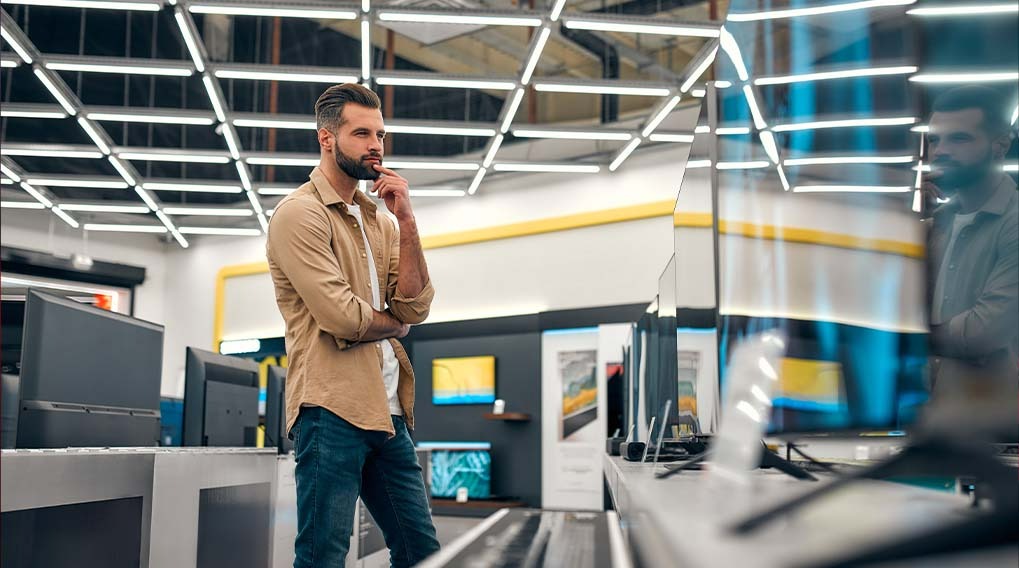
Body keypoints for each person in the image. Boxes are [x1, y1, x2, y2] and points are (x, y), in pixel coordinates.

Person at [266, 83, 440, 567]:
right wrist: (395, 325)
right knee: (324, 556)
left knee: (422, 552)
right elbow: (341, 316)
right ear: (326, 138)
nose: (376, 146)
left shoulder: (379, 220)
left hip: (387, 415)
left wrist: (406, 220)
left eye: (380, 134)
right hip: (330, 410)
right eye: (361, 133)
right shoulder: (298, 215)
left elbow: (415, 307)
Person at [921, 85, 1018, 439]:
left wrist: (907, 339)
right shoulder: (937, 224)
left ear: (1000, 145)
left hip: (1000, 435)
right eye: (935, 140)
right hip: (936, 420)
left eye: (959, 139)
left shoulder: (1014, 222)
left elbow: (982, 332)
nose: (941, 151)